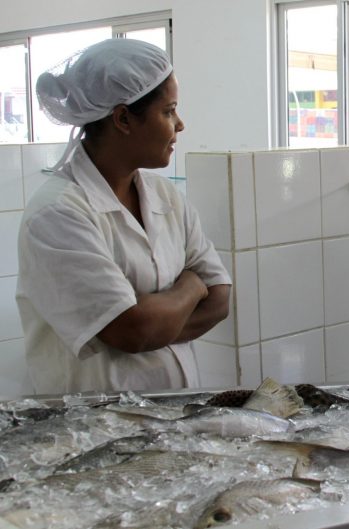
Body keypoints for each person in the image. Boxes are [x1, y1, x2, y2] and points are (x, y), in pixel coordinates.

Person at [16, 39, 232, 394]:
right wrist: (191, 286)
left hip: (173, 415)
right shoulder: (58, 213)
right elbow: (131, 330)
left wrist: (152, 324)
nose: (180, 125)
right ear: (123, 119)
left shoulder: (165, 196)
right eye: (168, 111)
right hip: (97, 428)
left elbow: (220, 300)